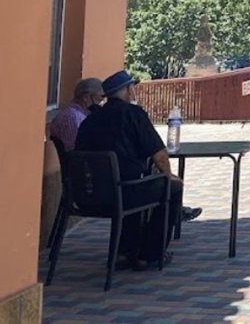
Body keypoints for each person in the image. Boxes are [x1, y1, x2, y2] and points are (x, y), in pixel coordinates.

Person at [75, 70, 199, 268]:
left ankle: (125, 252)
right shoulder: (133, 114)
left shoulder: (89, 121)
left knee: (132, 183)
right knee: (171, 187)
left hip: (86, 197)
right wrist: (169, 176)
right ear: (128, 90)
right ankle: (150, 255)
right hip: (124, 193)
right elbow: (159, 155)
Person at [48, 77, 105, 152]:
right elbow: (73, 150)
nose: (101, 104)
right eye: (99, 99)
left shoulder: (73, 113)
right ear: (86, 97)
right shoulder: (73, 117)